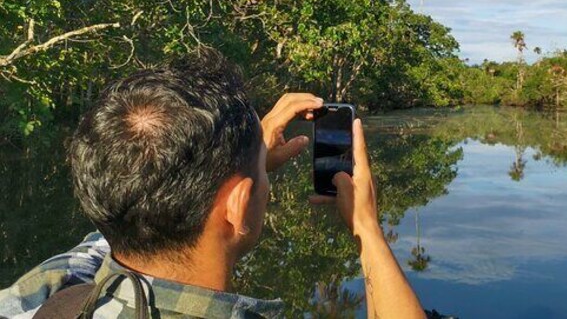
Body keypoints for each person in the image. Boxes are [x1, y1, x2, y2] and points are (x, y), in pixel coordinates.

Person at [0, 52, 425, 318]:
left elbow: (126, 211)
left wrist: (242, 162)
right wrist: (367, 230)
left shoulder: (49, 295)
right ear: (237, 206)